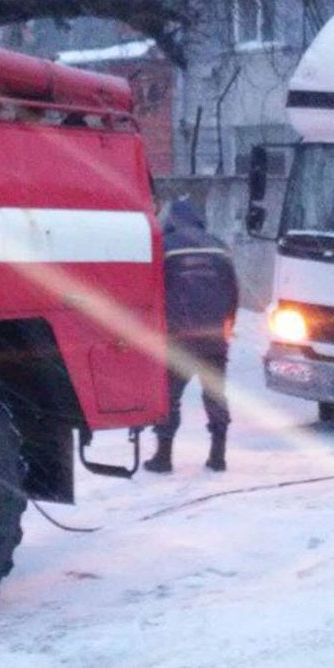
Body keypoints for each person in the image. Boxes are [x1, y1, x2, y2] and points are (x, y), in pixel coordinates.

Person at [144, 199, 238, 474]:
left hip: (179, 336)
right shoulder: (220, 247)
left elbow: (153, 290)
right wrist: (226, 326)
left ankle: (163, 456)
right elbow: (232, 292)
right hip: (214, 337)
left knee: (169, 396)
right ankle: (218, 455)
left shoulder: (164, 247)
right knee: (215, 393)